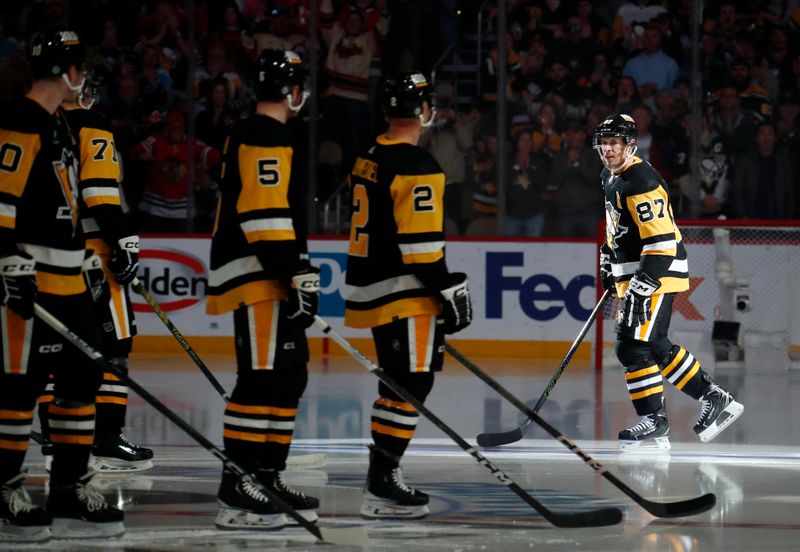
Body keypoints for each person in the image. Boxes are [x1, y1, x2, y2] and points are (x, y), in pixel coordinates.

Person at [0, 28, 123, 541]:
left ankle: (70, 486)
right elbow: (1, 196)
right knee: (18, 389)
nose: (83, 76)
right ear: (63, 70)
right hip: (32, 278)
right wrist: (7, 261)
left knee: (81, 381)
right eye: (79, 66)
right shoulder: (19, 119)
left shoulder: (62, 125)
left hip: (71, 279)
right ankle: (5, 487)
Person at [344, 72, 473, 518]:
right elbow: (420, 251)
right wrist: (449, 287)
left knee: (397, 382)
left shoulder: (369, 154)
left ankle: (381, 477)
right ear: (422, 110)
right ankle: (382, 482)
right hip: (405, 293)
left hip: (374, 288)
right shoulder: (418, 166)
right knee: (411, 383)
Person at [205, 49, 319, 530]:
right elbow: (262, 217)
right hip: (258, 276)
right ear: (292, 90)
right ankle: (238, 485)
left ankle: (267, 475)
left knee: (290, 374)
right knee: (261, 376)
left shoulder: (261, 132)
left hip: (269, 272)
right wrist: (293, 271)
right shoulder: (266, 134)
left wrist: (294, 269)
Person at [593, 113, 744, 452]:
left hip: (657, 272)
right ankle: (663, 418)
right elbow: (617, 227)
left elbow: (660, 241)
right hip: (635, 273)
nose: (609, 149)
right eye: (604, 143)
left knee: (640, 344)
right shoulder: (609, 176)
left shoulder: (642, 179)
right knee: (639, 345)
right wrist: (608, 262)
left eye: (615, 143)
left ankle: (706, 400)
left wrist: (642, 285)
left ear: (630, 144)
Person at [39, 76, 153, 473]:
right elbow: (100, 195)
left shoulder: (37, 125)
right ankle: (106, 436)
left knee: (55, 347)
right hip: (94, 253)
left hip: (46, 255)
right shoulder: (93, 125)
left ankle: (55, 434)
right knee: (115, 346)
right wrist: (123, 239)